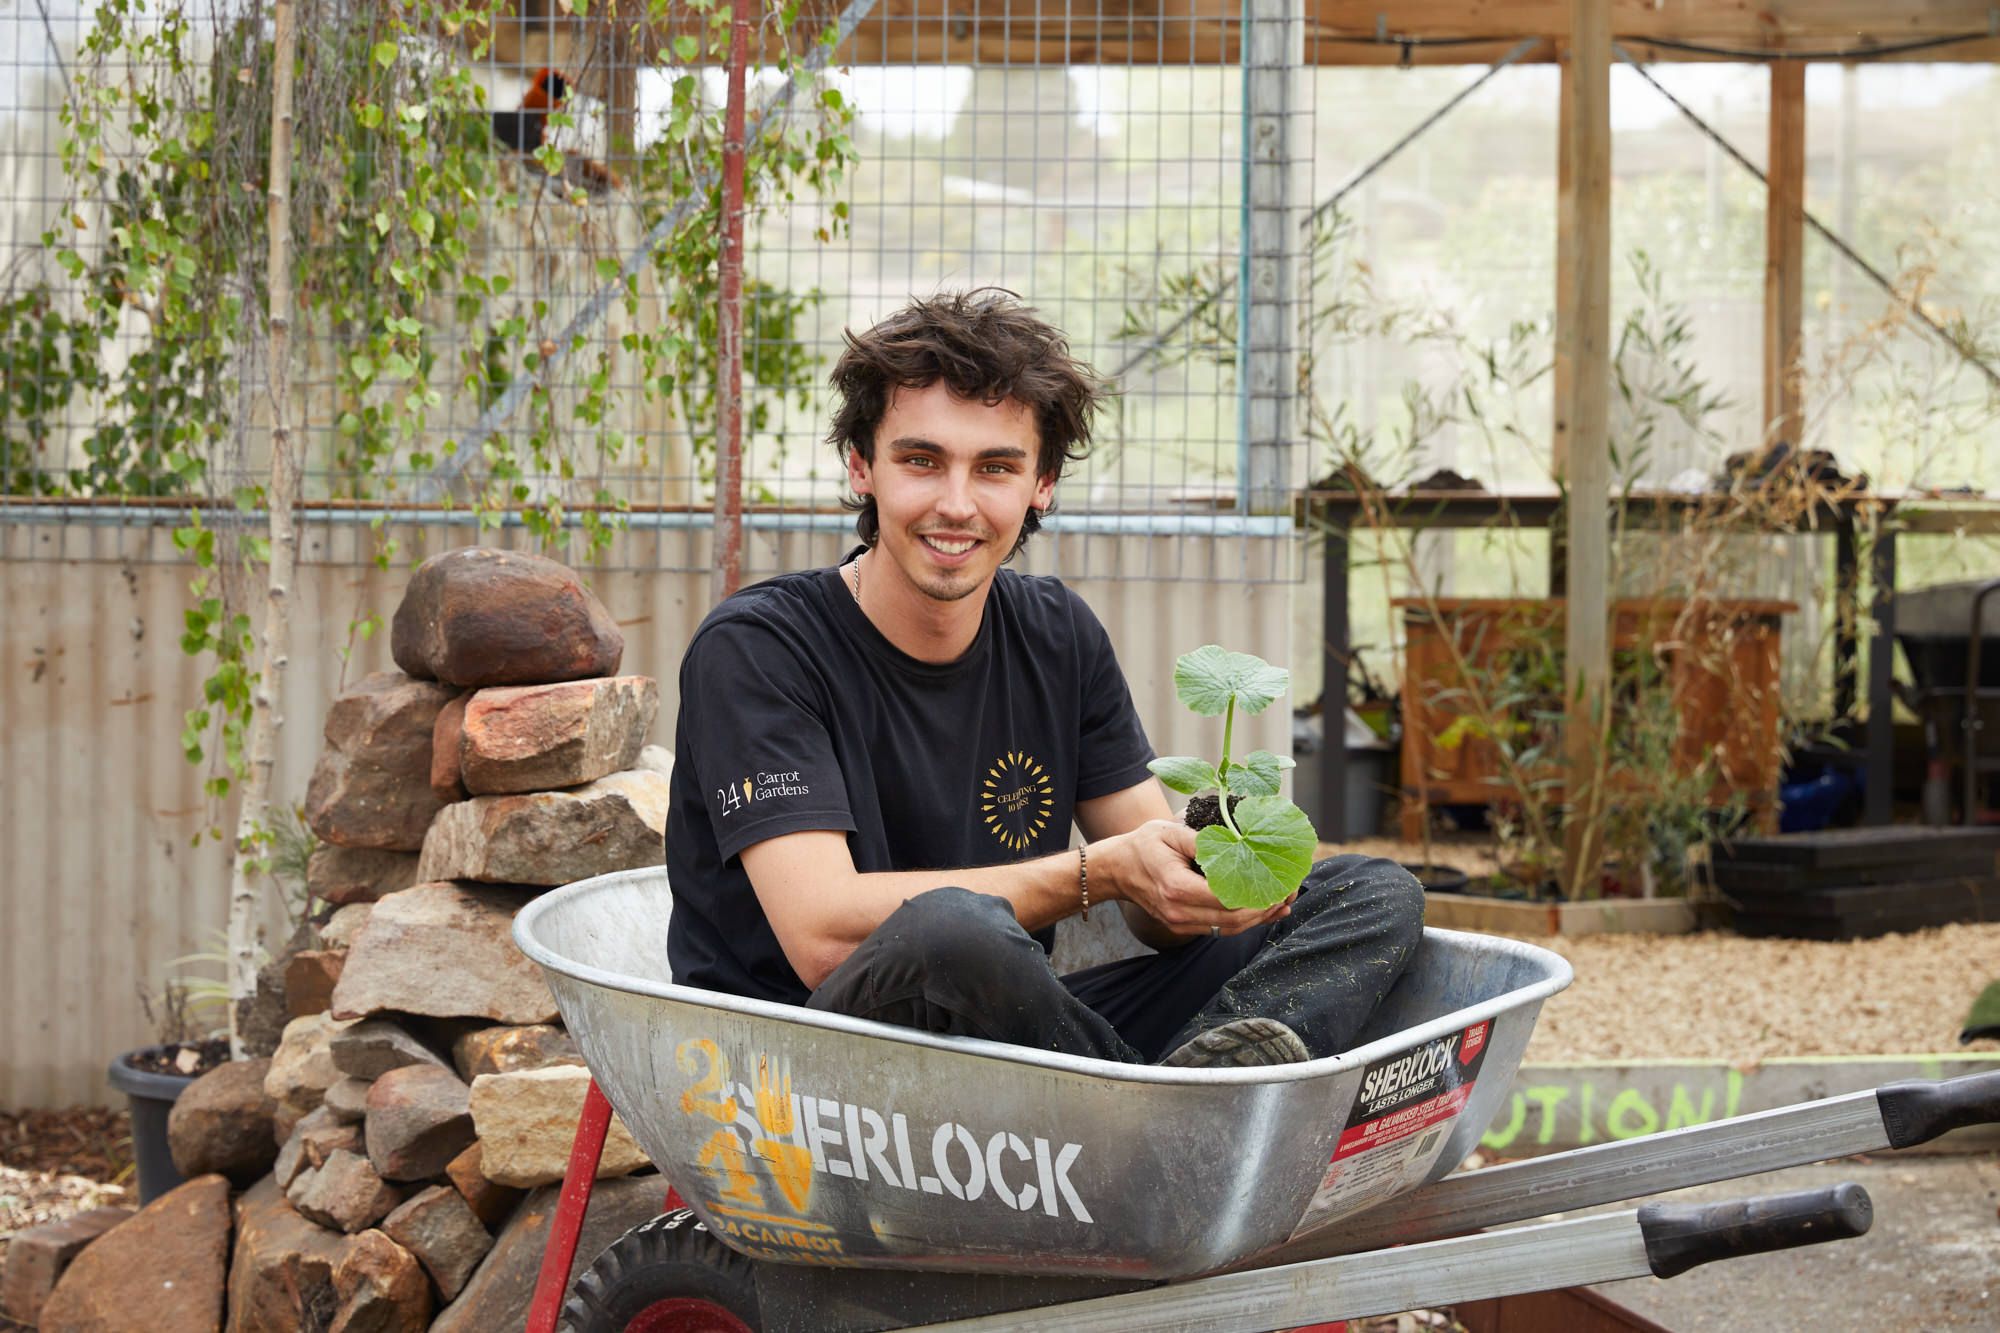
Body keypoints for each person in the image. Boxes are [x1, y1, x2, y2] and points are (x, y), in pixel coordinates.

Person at [664, 289, 1423, 1067]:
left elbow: (1152, 904)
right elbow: (820, 934)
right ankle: (1150, 1121)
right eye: (922, 460)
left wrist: (1204, 872)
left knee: (1371, 893)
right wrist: (1101, 871)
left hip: (1014, 1039)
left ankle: (1195, 1090)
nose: (956, 505)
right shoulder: (759, 649)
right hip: (813, 1063)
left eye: (995, 467)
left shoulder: (1058, 636)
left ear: (1043, 484)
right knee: (953, 931)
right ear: (862, 466)